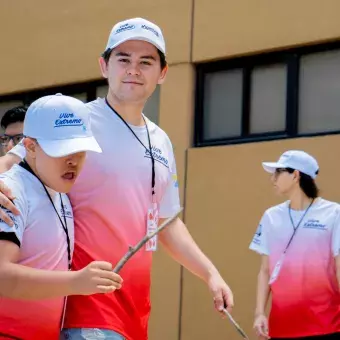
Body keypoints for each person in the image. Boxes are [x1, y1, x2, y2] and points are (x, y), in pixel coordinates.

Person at [0, 18, 233, 340]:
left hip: (134, 311)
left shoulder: (161, 140)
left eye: (146, 62)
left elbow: (167, 223)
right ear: (104, 66)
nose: (133, 69)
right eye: (123, 59)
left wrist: (211, 274)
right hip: (83, 307)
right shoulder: (76, 124)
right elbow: (13, 164)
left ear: (163, 72)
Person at [0, 94, 123, 340]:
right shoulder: (10, 192)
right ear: (31, 146)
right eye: (63, 150)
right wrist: (76, 281)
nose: (73, 161)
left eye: (80, 150)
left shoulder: (59, 191)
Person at [249, 150, 340, 340]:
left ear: (295, 175)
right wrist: (259, 313)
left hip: (327, 326)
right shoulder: (270, 217)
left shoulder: (334, 214)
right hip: (282, 328)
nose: (272, 178)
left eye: (278, 172)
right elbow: (265, 270)